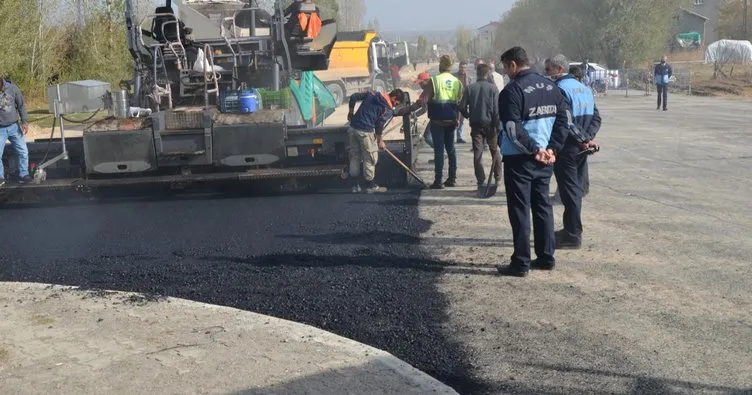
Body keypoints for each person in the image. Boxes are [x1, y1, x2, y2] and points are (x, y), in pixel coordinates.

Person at [496, 46, 570, 277]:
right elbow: (565, 119)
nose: (505, 72)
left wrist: (534, 150)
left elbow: (512, 128)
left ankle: (520, 263)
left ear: (513, 65)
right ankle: (546, 257)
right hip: (546, 160)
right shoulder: (552, 87)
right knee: (542, 207)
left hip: (521, 160)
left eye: (506, 67)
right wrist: (553, 149)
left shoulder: (512, 91)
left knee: (519, 210)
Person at [545, 54, 601, 250]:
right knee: (574, 189)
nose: (546, 73)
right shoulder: (584, 88)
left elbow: (565, 122)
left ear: (560, 69)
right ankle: (570, 229)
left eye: (549, 69)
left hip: (568, 147)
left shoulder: (559, 89)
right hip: (581, 147)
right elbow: (596, 118)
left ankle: (572, 235)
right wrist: (587, 138)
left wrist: (582, 139)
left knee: (570, 192)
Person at [347, 89, 406, 193]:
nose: (395, 106)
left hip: (352, 129)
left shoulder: (372, 94)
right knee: (370, 157)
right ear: (394, 98)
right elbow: (379, 125)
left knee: (355, 156)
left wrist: (351, 113)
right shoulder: (386, 109)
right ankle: (371, 186)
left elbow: (354, 96)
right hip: (365, 132)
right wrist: (380, 141)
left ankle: (355, 186)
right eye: (397, 103)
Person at [458, 64, 502, 191]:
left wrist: (469, 115)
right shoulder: (493, 89)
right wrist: (497, 125)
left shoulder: (470, 88)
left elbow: (461, 107)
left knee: (478, 153)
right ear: (487, 74)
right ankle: (498, 178)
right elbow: (496, 109)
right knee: (495, 151)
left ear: (477, 74)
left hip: (476, 125)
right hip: (491, 125)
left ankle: (480, 181)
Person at [0, 76, 31, 187]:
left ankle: (24, 174)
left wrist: (25, 122)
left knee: (23, 151)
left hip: (14, 126)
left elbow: (21, 105)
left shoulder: (13, 89)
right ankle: (1, 177)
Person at [454, 60, 470, 144]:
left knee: (461, 120)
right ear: (459, 67)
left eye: (465, 67)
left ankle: (459, 137)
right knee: (454, 119)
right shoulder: (453, 76)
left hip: (464, 102)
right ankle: (450, 137)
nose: (463, 69)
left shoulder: (469, 78)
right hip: (454, 101)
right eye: (462, 67)